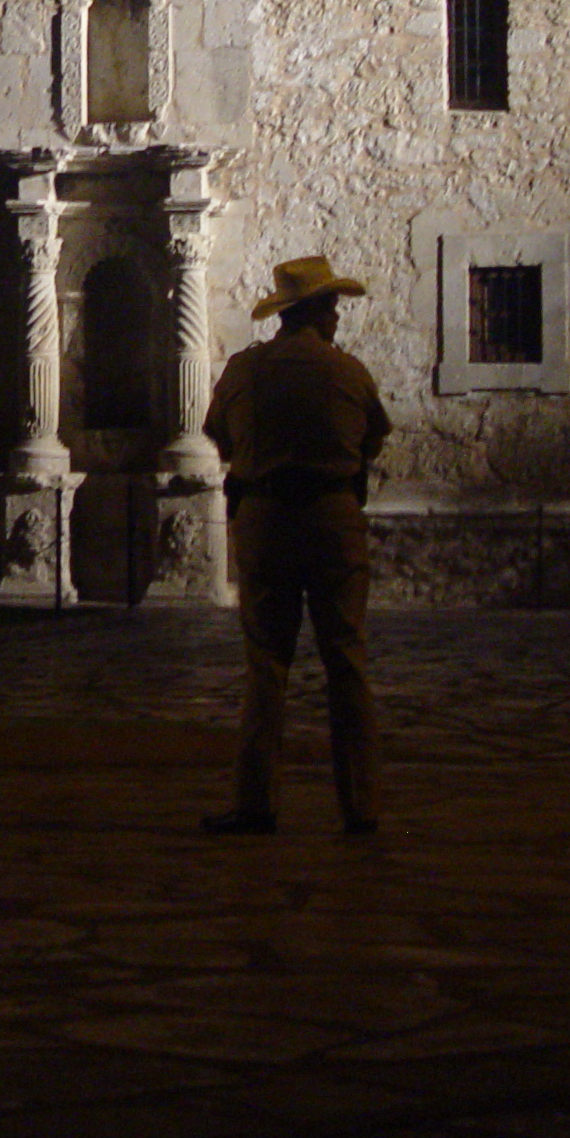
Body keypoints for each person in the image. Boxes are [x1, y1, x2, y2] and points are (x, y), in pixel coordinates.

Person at [200, 256, 390, 836]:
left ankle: (257, 803)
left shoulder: (244, 370)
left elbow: (218, 435)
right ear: (317, 312)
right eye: (331, 305)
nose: (337, 316)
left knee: (266, 665)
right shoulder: (348, 373)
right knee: (346, 660)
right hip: (333, 518)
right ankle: (361, 807)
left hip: (265, 517)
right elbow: (373, 438)